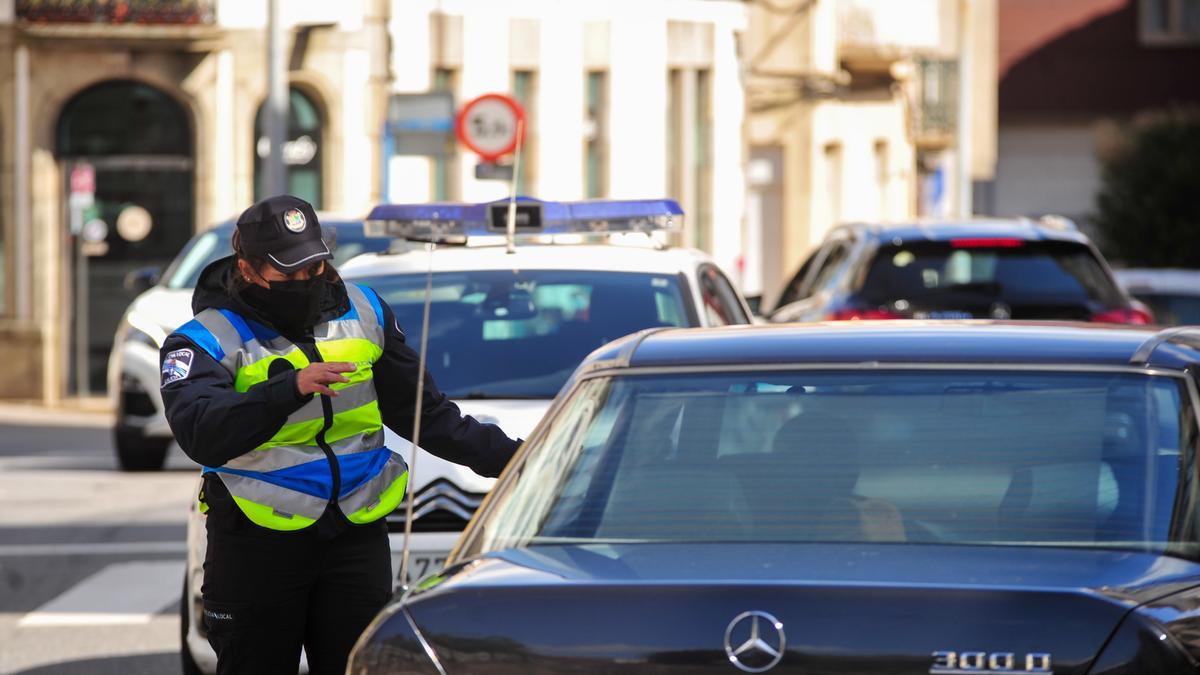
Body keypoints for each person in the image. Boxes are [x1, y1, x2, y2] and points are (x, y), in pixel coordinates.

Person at [160, 195, 520, 675]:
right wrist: (286, 390)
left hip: (353, 534)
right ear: (246, 268)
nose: (305, 283)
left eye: (314, 268)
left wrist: (521, 461)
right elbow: (201, 432)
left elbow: (426, 416)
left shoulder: (366, 311)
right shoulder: (202, 340)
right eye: (289, 275)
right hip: (256, 542)